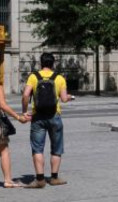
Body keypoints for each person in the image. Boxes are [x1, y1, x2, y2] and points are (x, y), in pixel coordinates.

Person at [22, 53, 74, 188]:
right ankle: (54, 178)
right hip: (54, 116)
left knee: (37, 148)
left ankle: (39, 179)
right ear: (53, 63)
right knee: (56, 148)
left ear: (41, 63)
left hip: (37, 116)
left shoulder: (33, 77)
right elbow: (63, 99)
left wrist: (24, 111)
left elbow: (26, 95)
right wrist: (70, 97)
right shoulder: (59, 78)